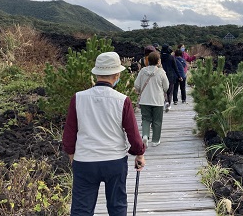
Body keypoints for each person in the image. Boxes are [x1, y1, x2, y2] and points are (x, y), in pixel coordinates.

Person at [62, 51, 146, 216]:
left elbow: (69, 132)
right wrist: (139, 154)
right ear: (116, 75)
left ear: (97, 73)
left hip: (85, 160)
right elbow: (134, 135)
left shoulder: (78, 98)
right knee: (117, 207)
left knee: (81, 210)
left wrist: (71, 153)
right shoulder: (122, 100)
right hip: (114, 161)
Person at [134, 51, 169, 148]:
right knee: (157, 121)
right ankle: (155, 140)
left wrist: (141, 89)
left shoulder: (142, 71)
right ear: (158, 61)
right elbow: (166, 87)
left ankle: (145, 135)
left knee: (145, 119)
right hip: (157, 100)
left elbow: (136, 85)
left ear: (148, 61)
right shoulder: (161, 72)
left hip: (145, 100)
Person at [160, 44, 182, 112]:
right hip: (171, 75)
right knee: (170, 91)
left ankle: (165, 101)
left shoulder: (160, 57)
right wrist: (179, 76)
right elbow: (175, 68)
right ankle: (169, 104)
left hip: (161, 75)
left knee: (163, 90)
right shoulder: (171, 57)